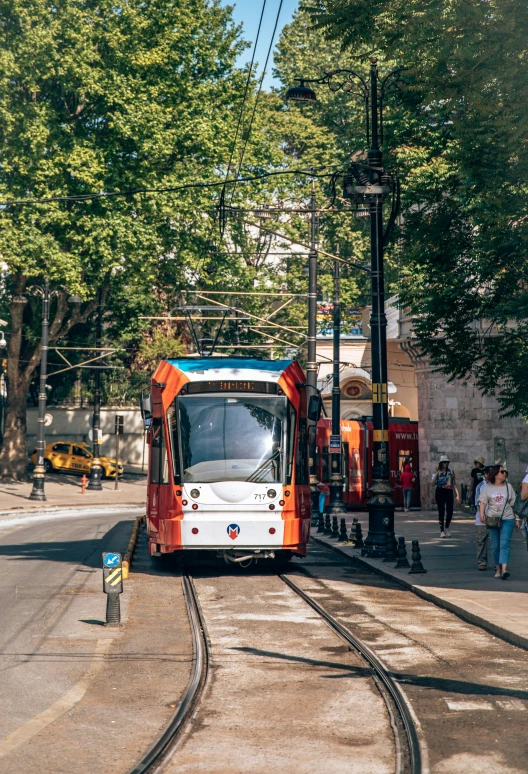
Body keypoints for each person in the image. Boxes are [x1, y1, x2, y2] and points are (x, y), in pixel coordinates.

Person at [478, 465, 519, 579]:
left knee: (504, 544)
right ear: (496, 474)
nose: (504, 473)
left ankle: (504, 570)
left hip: (507, 518)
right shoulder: (488, 487)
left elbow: (513, 504)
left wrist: (517, 518)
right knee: (495, 545)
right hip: (492, 519)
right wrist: (482, 513)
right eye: (502, 472)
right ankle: (497, 569)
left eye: (505, 471)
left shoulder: (508, 486)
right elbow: (482, 501)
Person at [432, 455, 460, 537]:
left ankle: (447, 527)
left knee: (450, 511)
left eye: (447, 462)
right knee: (441, 511)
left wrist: (457, 495)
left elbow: (454, 483)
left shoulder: (451, 471)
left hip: (448, 491)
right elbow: (432, 483)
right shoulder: (436, 471)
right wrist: (437, 474)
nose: (446, 464)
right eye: (444, 462)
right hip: (440, 491)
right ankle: (442, 530)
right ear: (441, 463)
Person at [474, 465, 492, 570]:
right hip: (482, 517)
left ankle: (498, 563)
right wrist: (482, 513)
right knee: (481, 540)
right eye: (488, 473)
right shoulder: (481, 486)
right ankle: (482, 561)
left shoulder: (498, 485)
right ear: (484, 474)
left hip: (495, 516)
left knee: (496, 541)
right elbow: (477, 502)